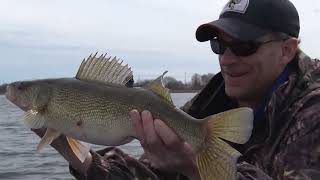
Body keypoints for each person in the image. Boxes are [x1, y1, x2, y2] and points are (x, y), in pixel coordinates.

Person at [33, 0, 320, 179]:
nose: (227, 59)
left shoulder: (313, 114)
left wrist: (195, 167)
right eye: (219, 45)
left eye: (245, 46)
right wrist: (78, 154)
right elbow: (151, 174)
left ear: (286, 50)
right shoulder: (211, 103)